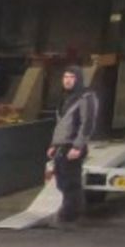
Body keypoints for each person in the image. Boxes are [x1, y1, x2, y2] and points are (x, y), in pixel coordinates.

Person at [48, 65, 99, 227]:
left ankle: (70, 217)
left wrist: (78, 146)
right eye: (65, 77)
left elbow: (88, 123)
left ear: (78, 79)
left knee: (71, 183)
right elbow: (61, 124)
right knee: (62, 182)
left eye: (71, 77)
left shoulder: (86, 97)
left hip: (73, 146)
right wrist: (54, 145)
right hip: (62, 146)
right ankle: (67, 212)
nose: (67, 80)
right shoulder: (64, 98)